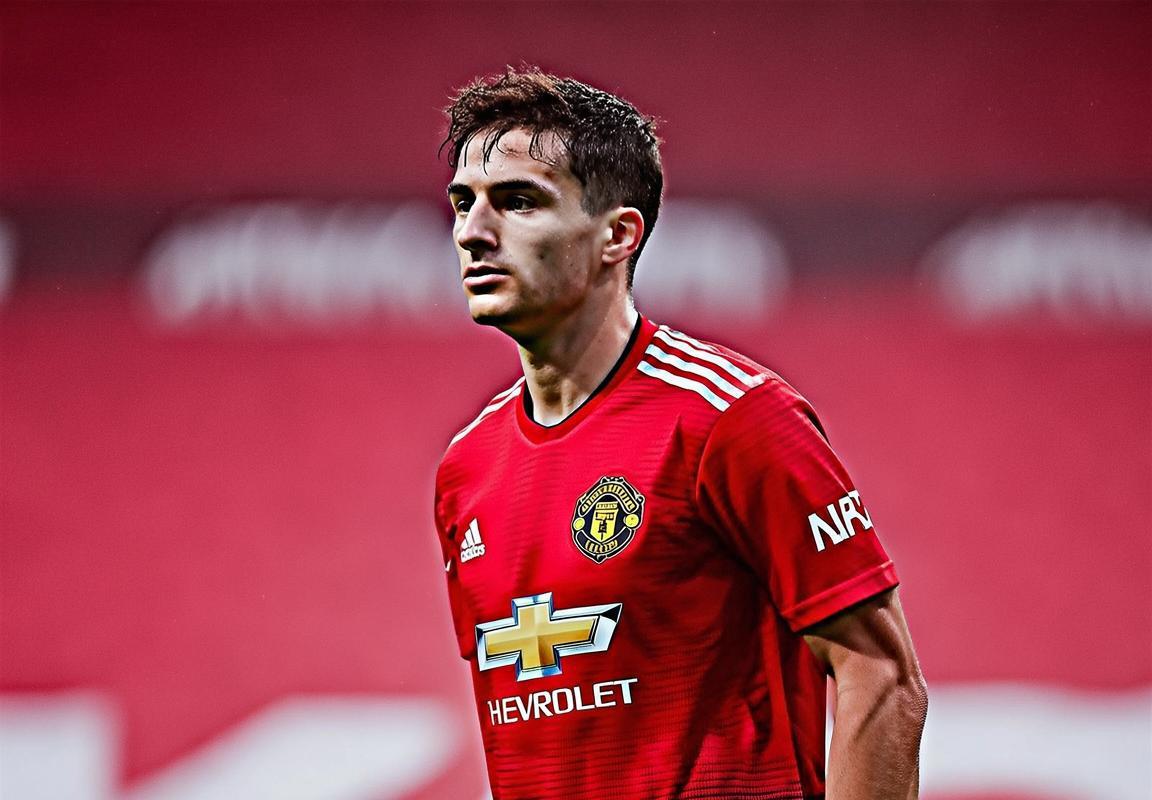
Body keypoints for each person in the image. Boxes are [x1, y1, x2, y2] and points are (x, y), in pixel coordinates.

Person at [433, 67, 927, 800]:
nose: (473, 233)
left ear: (617, 235)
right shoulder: (466, 467)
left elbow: (881, 676)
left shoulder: (733, 418)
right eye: (463, 203)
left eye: (517, 202)